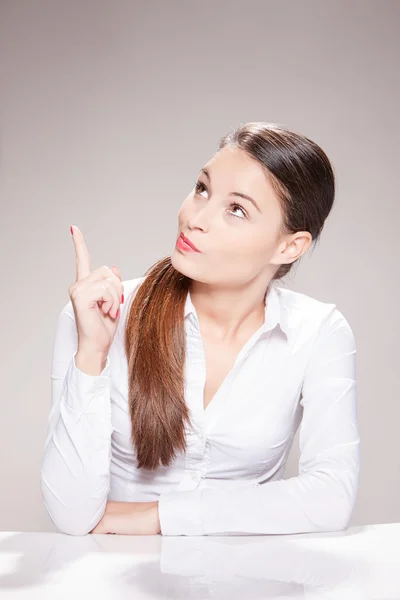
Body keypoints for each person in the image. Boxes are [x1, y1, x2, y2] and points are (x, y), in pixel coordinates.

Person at [40, 121, 359, 536]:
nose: (195, 218)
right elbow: (70, 516)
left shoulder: (318, 332)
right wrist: (92, 355)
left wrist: (161, 517)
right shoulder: (99, 315)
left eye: (237, 209)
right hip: (117, 584)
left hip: (249, 583)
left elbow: (332, 496)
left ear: (289, 246)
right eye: (202, 188)